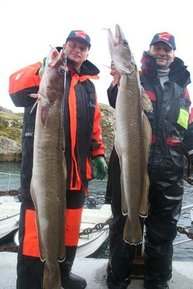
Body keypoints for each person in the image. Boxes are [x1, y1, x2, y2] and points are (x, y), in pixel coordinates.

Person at [9, 29, 107, 289]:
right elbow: (14, 88)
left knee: (69, 231)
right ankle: (31, 283)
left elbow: (94, 125)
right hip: (41, 171)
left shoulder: (88, 87)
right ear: (65, 47)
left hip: (76, 175)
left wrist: (98, 154)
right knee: (34, 235)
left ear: (87, 53)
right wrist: (43, 70)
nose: (77, 50)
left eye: (82, 47)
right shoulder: (43, 74)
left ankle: (60, 274)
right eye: (73, 45)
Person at [105, 32, 193, 289]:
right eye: (157, 48)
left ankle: (157, 282)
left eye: (167, 49)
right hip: (132, 164)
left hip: (169, 171)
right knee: (122, 226)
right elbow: (115, 100)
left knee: (162, 232)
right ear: (151, 51)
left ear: (173, 53)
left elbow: (187, 127)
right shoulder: (136, 77)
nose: (162, 53)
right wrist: (116, 81)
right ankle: (117, 281)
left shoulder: (182, 89)